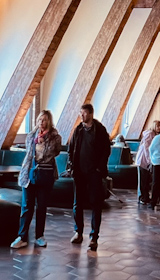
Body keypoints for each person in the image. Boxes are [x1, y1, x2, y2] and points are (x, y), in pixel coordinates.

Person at [11, 109, 62, 249]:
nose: (41, 122)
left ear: (49, 121)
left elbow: (54, 151)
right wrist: (36, 141)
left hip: (45, 174)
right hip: (30, 173)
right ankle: (22, 236)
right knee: (27, 205)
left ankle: (39, 236)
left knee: (41, 206)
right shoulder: (31, 135)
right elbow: (29, 149)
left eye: (44, 120)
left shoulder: (55, 137)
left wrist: (44, 141)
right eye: (39, 119)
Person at [67, 103, 111, 251]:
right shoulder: (78, 130)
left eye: (84, 113)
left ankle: (94, 237)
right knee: (77, 203)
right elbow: (71, 148)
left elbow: (106, 150)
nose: (82, 116)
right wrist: (72, 165)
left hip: (94, 173)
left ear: (91, 114)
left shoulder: (100, 130)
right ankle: (78, 232)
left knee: (95, 204)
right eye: (81, 113)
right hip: (79, 172)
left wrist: (99, 168)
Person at [135, 119, 159, 206]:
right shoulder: (150, 134)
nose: (159, 128)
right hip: (143, 160)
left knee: (145, 180)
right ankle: (142, 197)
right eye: (157, 126)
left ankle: (145, 197)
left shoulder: (153, 135)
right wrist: (149, 160)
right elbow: (146, 147)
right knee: (142, 180)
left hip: (144, 161)